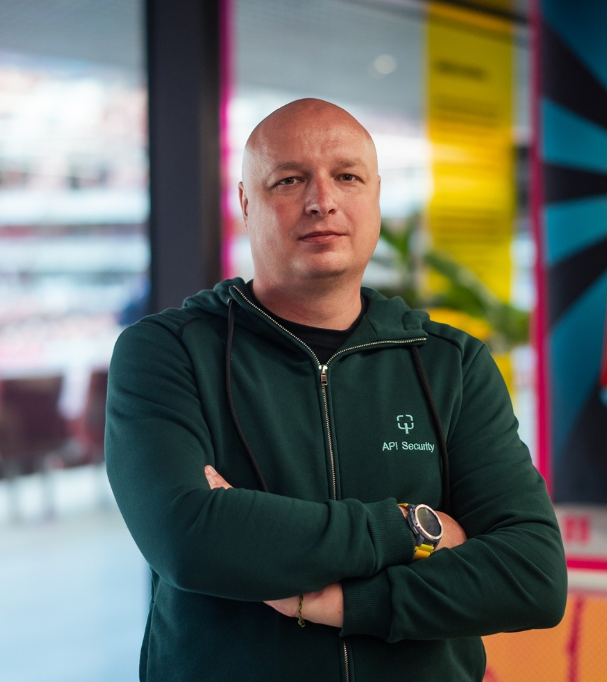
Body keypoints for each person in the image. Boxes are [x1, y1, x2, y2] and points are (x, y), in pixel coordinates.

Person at [105, 98, 567, 682]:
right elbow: (189, 539)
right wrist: (413, 527)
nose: (321, 200)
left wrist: (345, 604)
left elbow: (532, 575)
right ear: (245, 203)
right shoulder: (168, 352)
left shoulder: (451, 363)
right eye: (289, 179)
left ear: (375, 197)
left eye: (347, 177)